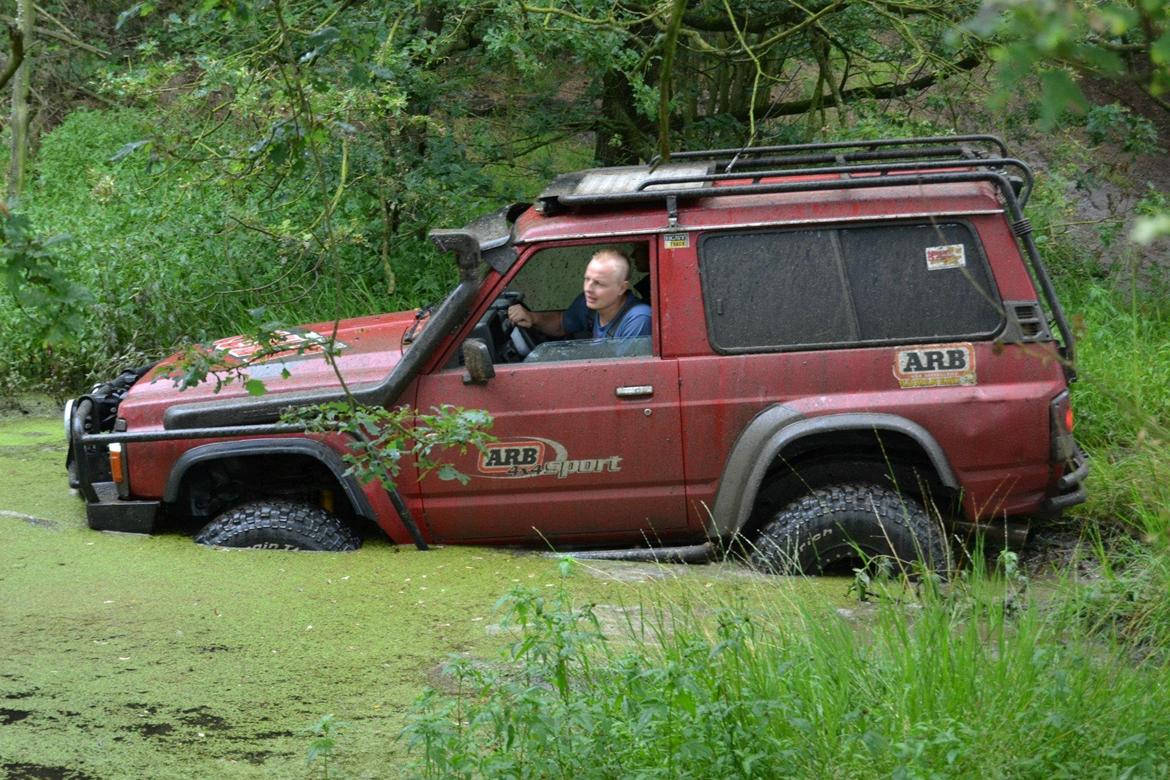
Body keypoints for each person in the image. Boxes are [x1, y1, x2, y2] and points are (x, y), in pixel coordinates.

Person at [507, 249, 651, 341]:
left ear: (621, 288)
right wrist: (532, 317)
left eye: (599, 283)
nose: (588, 288)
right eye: (587, 279)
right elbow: (561, 324)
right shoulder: (589, 302)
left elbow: (625, 375)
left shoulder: (639, 318)